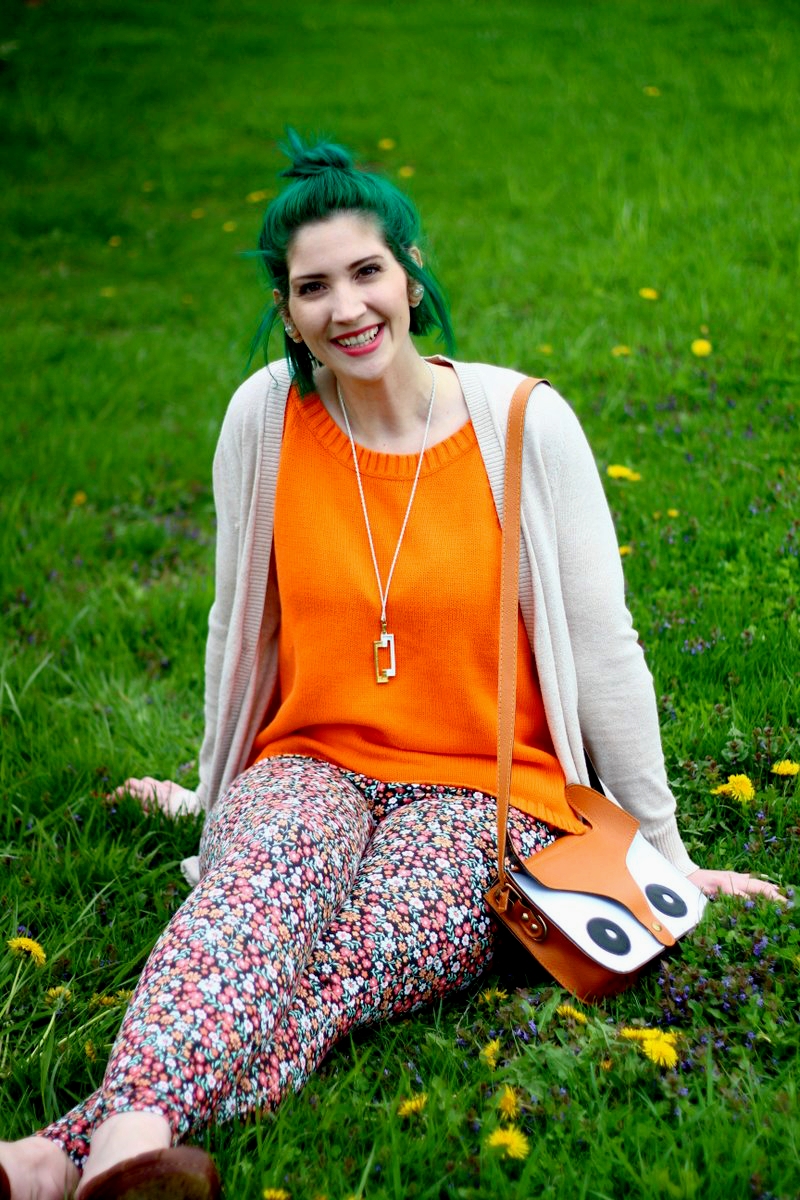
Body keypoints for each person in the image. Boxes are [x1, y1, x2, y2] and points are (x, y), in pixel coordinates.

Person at [0, 131, 783, 1200]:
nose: (345, 306)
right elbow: (239, 632)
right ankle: (132, 1145)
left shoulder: (522, 423)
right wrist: (211, 793)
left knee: (347, 956)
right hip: (309, 760)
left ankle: (66, 1151)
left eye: (365, 271)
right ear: (285, 311)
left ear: (410, 271)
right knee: (254, 898)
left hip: (481, 793)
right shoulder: (264, 421)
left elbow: (605, 651)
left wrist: (661, 849)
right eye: (310, 286)